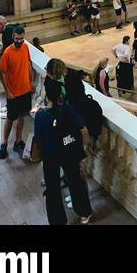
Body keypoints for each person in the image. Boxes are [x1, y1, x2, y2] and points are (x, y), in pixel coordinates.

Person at [34, 80, 93, 225]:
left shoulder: (41, 116)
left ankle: (57, 221)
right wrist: (84, 147)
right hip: (69, 151)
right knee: (75, 182)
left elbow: (38, 140)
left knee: (52, 189)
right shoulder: (67, 108)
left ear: (47, 95)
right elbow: (83, 129)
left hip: (50, 154)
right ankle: (84, 212)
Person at [0, 26, 34, 161]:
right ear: (13, 37)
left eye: (21, 39)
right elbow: (2, 73)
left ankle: (18, 142)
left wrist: (31, 82)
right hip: (13, 93)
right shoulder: (7, 52)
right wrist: (7, 91)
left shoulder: (25, 48)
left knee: (22, 116)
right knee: (10, 118)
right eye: (17, 39)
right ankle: (4, 143)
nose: (19, 41)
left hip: (25, 90)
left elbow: (28, 64)